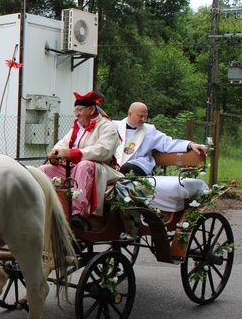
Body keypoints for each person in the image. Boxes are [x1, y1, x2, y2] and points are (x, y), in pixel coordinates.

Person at [38, 91, 122, 229]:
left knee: (84, 165)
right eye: (75, 110)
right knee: (43, 170)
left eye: (80, 110)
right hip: (73, 168)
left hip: (100, 169)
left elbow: (103, 150)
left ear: (92, 110)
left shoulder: (107, 126)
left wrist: (72, 154)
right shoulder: (78, 126)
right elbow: (63, 143)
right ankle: (46, 209)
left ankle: (77, 214)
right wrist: (55, 152)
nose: (76, 114)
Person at [115, 102, 208, 176]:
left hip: (137, 165)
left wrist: (191, 145)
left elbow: (168, 143)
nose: (143, 119)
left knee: (127, 168)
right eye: (140, 116)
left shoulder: (149, 130)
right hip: (115, 165)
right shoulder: (114, 127)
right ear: (130, 114)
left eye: (145, 116)